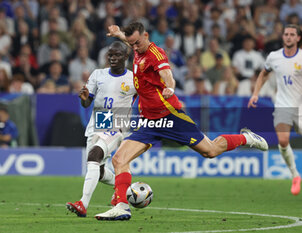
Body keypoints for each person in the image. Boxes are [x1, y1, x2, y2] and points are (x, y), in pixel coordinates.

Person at [95, 21, 268, 221]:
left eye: (136, 43)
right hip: (150, 121)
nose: (133, 48)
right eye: (131, 44)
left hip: (170, 116)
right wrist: (118, 34)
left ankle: (245, 138)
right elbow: (130, 39)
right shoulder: (138, 47)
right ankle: (122, 207)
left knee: (210, 151)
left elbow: (167, 74)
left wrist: (170, 87)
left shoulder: (155, 54)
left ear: (146, 36)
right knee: (119, 159)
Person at [66, 41, 137, 217]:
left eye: (117, 55)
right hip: (99, 122)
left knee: (94, 156)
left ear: (125, 57)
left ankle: (83, 204)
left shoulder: (134, 79)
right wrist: (83, 98)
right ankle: (124, 188)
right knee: (99, 170)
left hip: (118, 122)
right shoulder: (98, 74)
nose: (113, 58)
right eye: (110, 55)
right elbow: (86, 102)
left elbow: (149, 96)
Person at [248, 24, 302, 196]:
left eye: (292, 34)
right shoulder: (274, 57)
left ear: (298, 38)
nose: (288, 37)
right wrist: (255, 93)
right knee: (283, 140)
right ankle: (295, 175)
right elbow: (264, 73)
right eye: (286, 34)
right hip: (283, 105)